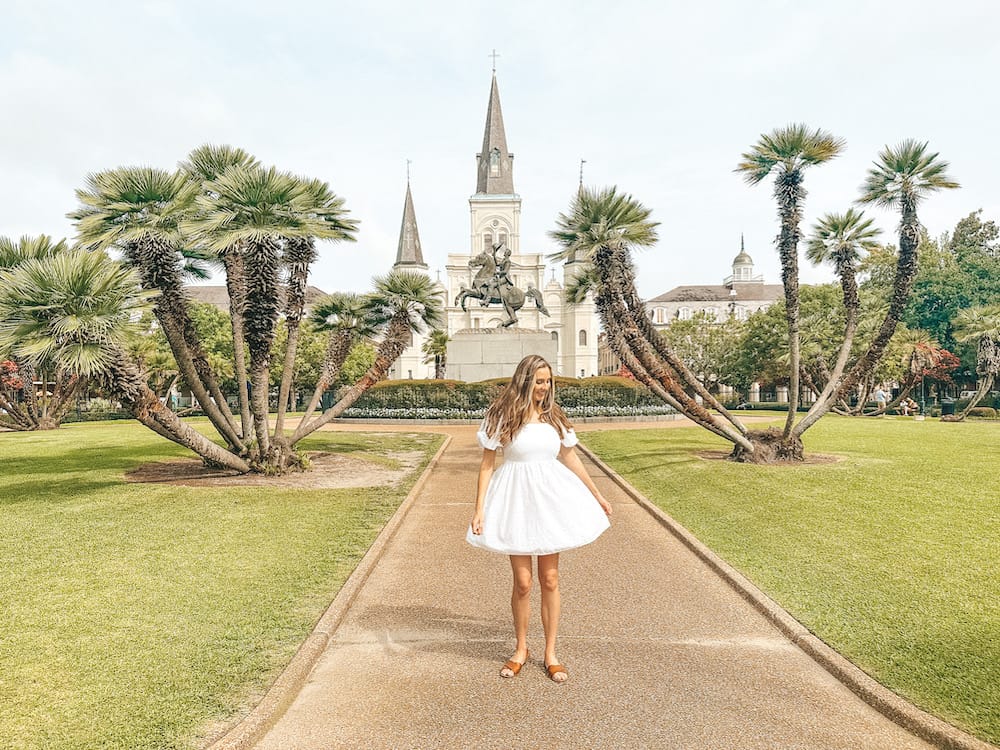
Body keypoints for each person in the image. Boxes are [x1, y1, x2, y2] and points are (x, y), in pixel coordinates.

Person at [467, 354, 612, 683]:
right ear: (525, 380)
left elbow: (571, 458)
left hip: (550, 502)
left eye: (548, 381)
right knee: (523, 582)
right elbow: (487, 465)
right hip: (515, 501)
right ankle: (521, 649)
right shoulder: (501, 415)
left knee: (550, 580)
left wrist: (597, 494)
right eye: (540, 381)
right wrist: (479, 508)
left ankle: (550, 653)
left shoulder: (554, 417)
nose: (545, 388)